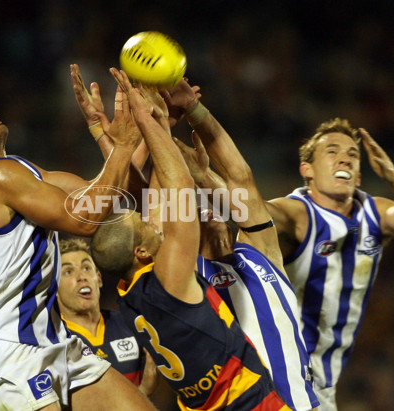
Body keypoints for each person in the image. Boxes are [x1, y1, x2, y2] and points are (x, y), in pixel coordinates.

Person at [0, 82, 158, 410]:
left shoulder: (17, 170)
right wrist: (122, 147)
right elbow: (84, 220)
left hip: (55, 344)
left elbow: (114, 197)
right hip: (13, 353)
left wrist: (114, 132)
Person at [90, 68, 291, 410]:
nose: (154, 225)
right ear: (143, 250)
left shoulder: (136, 292)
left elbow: (162, 203)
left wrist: (123, 135)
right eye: (147, 227)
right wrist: (153, 121)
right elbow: (175, 195)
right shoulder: (175, 274)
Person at [261, 118, 394, 409]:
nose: (344, 157)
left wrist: (393, 176)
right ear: (307, 170)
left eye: (353, 154)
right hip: (278, 370)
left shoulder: (374, 212)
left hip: (323, 382)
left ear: (358, 176)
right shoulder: (296, 212)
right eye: (331, 151)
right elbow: (251, 211)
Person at [163, 79, 319, 410]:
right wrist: (159, 130)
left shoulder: (259, 252)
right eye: (195, 202)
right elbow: (168, 205)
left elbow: (241, 178)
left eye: (208, 200)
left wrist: (195, 110)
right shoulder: (183, 273)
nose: (207, 206)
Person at [56, 237, 158, 396]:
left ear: (99, 278)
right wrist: (142, 392)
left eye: (86, 268)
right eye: (68, 271)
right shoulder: (52, 343)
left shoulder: (130, 323)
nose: (81, 276)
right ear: (54, 287)